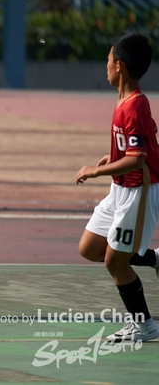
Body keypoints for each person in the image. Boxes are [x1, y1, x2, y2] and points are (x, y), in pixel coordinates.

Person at [76, 32, 159, 342]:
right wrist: (113, 156)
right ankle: (154, 259)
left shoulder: (134, 106)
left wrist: (96, 171)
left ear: (120, 66)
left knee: (114, 261)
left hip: (138, 193)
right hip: (120, 189)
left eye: (108, 60)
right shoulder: (126, 100)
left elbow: (138, 159)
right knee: (90, 249)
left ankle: (144, 325)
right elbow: (145, 140)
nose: (106, 66)